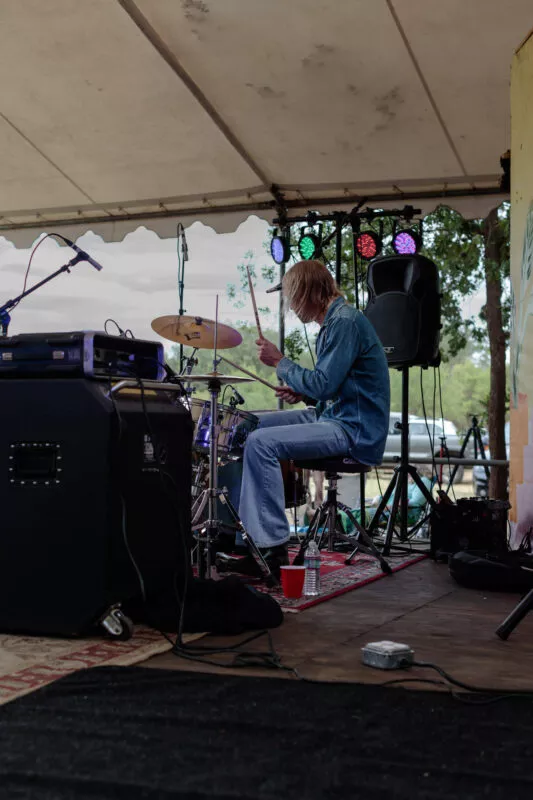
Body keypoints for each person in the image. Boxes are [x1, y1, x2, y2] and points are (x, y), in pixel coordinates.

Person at [216, 259, 390, 580]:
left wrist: (281, 362)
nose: (293, 308)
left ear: (311, 292)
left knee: (261, 443)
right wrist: (305, 394)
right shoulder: (336, 322)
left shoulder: (345, 323)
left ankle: (271, 551)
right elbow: (334, 388)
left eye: (295, 298)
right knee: (245, 427)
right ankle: (238, 537)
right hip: (334, 415)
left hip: (353, 429)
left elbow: (325, 383)